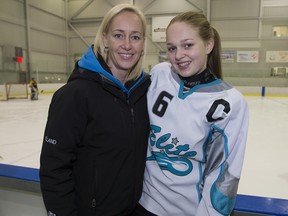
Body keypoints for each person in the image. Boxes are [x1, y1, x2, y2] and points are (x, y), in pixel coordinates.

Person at [133, 11, 249, 216]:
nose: (178, 55)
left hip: (188, 211)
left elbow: (224, 175)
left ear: (208, 45)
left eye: (188, 45)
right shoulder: (160, 74)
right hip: (142, 203)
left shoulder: (230, 103)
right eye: (171, 48)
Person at [40, 4, 151, 216]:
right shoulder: (75, 95)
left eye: (135, 37)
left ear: (143, 43)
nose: (127, 45)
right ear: (105, 39)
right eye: (119, 35)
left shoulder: (143, 93)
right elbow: (54, 169)